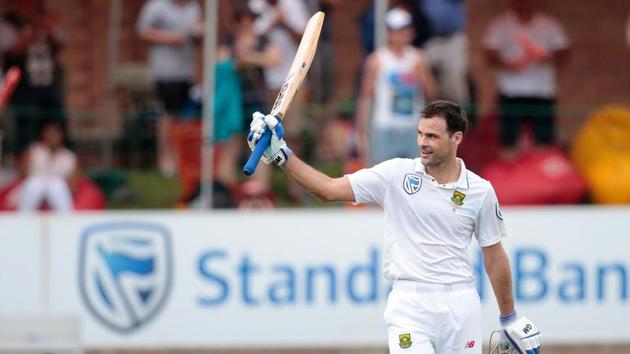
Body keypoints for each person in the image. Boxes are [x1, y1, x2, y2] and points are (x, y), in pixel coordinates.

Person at [247, 100, 542, 354]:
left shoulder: (480, 191)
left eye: (432, 136)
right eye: (420, 134)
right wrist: (282, 155)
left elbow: (495, 256)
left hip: (461, 303)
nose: (422, 143)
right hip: (410, 304)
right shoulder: (395, 174)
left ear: (456, 138)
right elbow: (328, 190)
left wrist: (509, 317)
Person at [483, 0, 569, 160]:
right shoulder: (501, 24)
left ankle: (542, 176)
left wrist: (546, 56)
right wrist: (506, 63)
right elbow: (489, 52)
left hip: (542, 90)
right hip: (511, 90)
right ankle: (511, 178)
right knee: (509, 142)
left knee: (544, 140)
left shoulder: (549, 24)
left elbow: (564, 51)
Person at [356, 7, 437, 165]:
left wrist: (424, 76)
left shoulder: (418, 58)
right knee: (382, 179)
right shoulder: (377, 60)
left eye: (405, 29)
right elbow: (366, 98)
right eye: (397, 30)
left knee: (415, 180)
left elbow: (432, 95)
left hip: (414, 129)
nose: (401, 34)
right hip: (385, 128)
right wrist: (362, 133)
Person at [136, 0, 203, 176]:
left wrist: (197, 34)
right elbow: (143, 32)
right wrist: (171, 38)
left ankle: (180, 157)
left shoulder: (193, 8)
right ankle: (166, 159)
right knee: (168, 115)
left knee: (183, 117)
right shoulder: (156, 7)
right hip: (165, 72)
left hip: (187, 72)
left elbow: (197, 37)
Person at [0, 0, 67, 155]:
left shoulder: (47, 18)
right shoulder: (8, 22)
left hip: (49, 84)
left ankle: (59, 160)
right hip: (24, 87)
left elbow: (62, 43)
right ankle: (23, 162)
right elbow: (11, 50)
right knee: (26, 128)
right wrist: (33, 31)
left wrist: (47, 28)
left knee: (57, 122)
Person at [18, 120, 76, 212]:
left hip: (57, 186)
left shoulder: (69, 156)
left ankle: (66, 219)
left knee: (57, 185)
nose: (51, 137)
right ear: (43, 135)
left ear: (61, 136)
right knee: (34, 184)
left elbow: (72, 182)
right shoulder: (33, 150)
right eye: (49, 133)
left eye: (54, 134)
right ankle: (24, 218)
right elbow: (23, 173)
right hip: (35, 183)